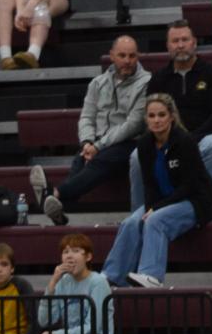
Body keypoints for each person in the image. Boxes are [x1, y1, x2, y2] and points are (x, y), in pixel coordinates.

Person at [103, 94, 212, 289]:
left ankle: (151, 276)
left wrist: (156, 209)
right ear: (146, 119)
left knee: (156, 220)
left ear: (171, 116)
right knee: (131, 222)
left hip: (195, 201)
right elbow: (149, 184)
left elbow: (190, 185)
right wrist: (149, 207)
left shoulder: (184, 141)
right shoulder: (145, 144)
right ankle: (111, 277)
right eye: (152, 116)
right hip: (163, 200)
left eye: (162, 115)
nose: (157, 120)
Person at [30, 34, 151, 225]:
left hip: (131, 144)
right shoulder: (97, 83)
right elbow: (87, 117)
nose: (127, 61)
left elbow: (134, 124)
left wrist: (98, 146)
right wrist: (87, 142)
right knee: (79, 161)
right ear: (111, 56)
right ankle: (60, 212)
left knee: (101, 158)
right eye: (122, 55)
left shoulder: (146, 83)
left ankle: (55, 193)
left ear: (138, 56)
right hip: (98, 144)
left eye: (132, 56)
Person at [144, 17, 212, 194]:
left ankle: (208, 205)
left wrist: (191, 140)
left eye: (185, 40)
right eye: (175, 41)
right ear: (168, 46)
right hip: (168, 143)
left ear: (194, 43)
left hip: (202, 140)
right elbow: (151, 117)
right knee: (135, 156)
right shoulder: (158, 80)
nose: (180, 45)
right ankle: (141, 215)